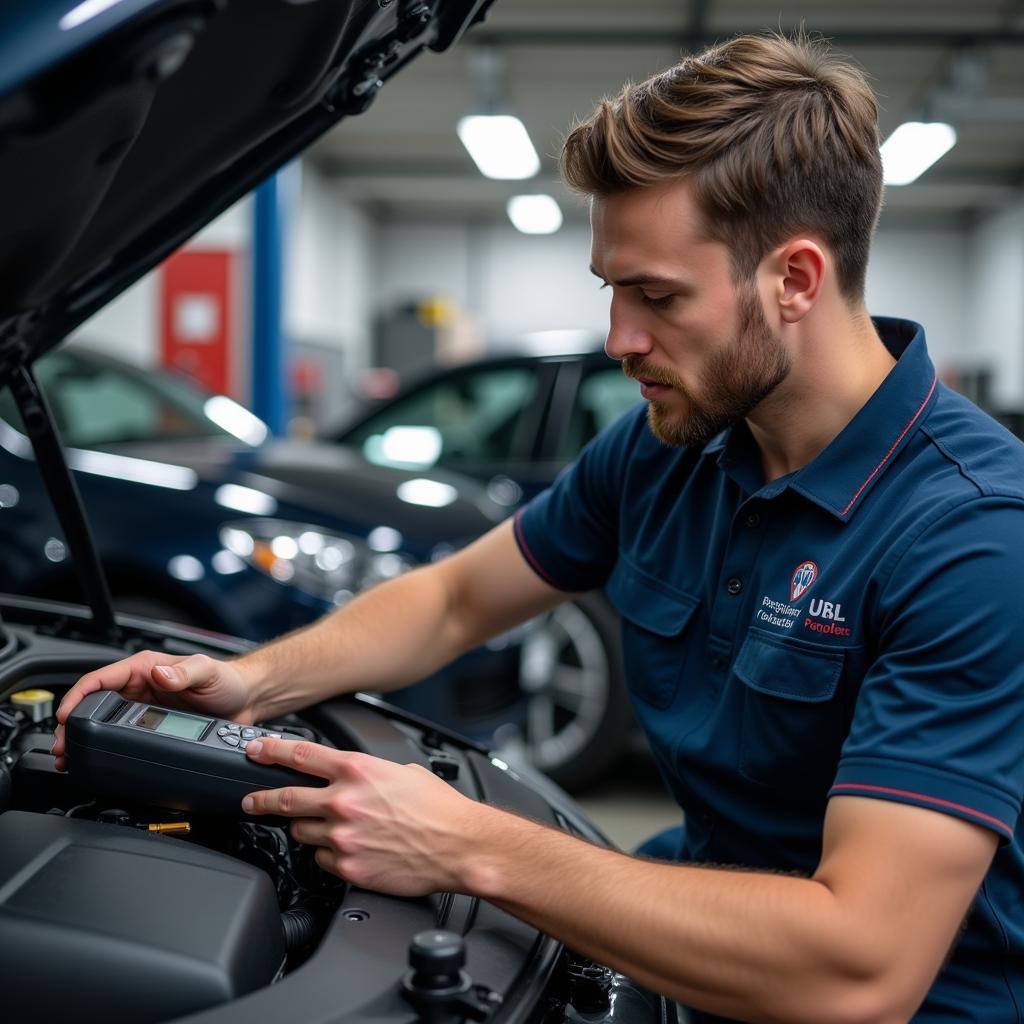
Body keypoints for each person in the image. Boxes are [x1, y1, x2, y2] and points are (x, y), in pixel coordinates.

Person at [53, 32, 1024, 1023]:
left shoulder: (971, 537)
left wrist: (467, 841)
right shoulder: (666, 448)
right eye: (613, 289)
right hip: (684, 952)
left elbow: (858, 967)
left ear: (796, 280)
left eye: (657, 296)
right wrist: (252, 680)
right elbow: (455, 595)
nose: (619, 342)